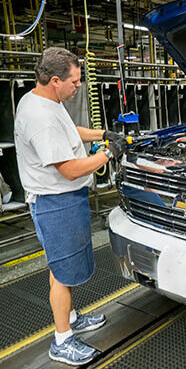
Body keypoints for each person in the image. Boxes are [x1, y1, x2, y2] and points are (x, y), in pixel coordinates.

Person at [14, 47, 127, 365]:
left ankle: (71, 317)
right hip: (55, 203)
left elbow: (71, 133)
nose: (79, 87)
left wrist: (103, 134)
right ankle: (62, 341)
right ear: (54, 80)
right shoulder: (41, 119)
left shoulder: (42, 100)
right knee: (63, 273)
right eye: (75, 82)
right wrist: (108, 154)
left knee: (59, 268)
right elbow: (70, 169)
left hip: (62, 200)